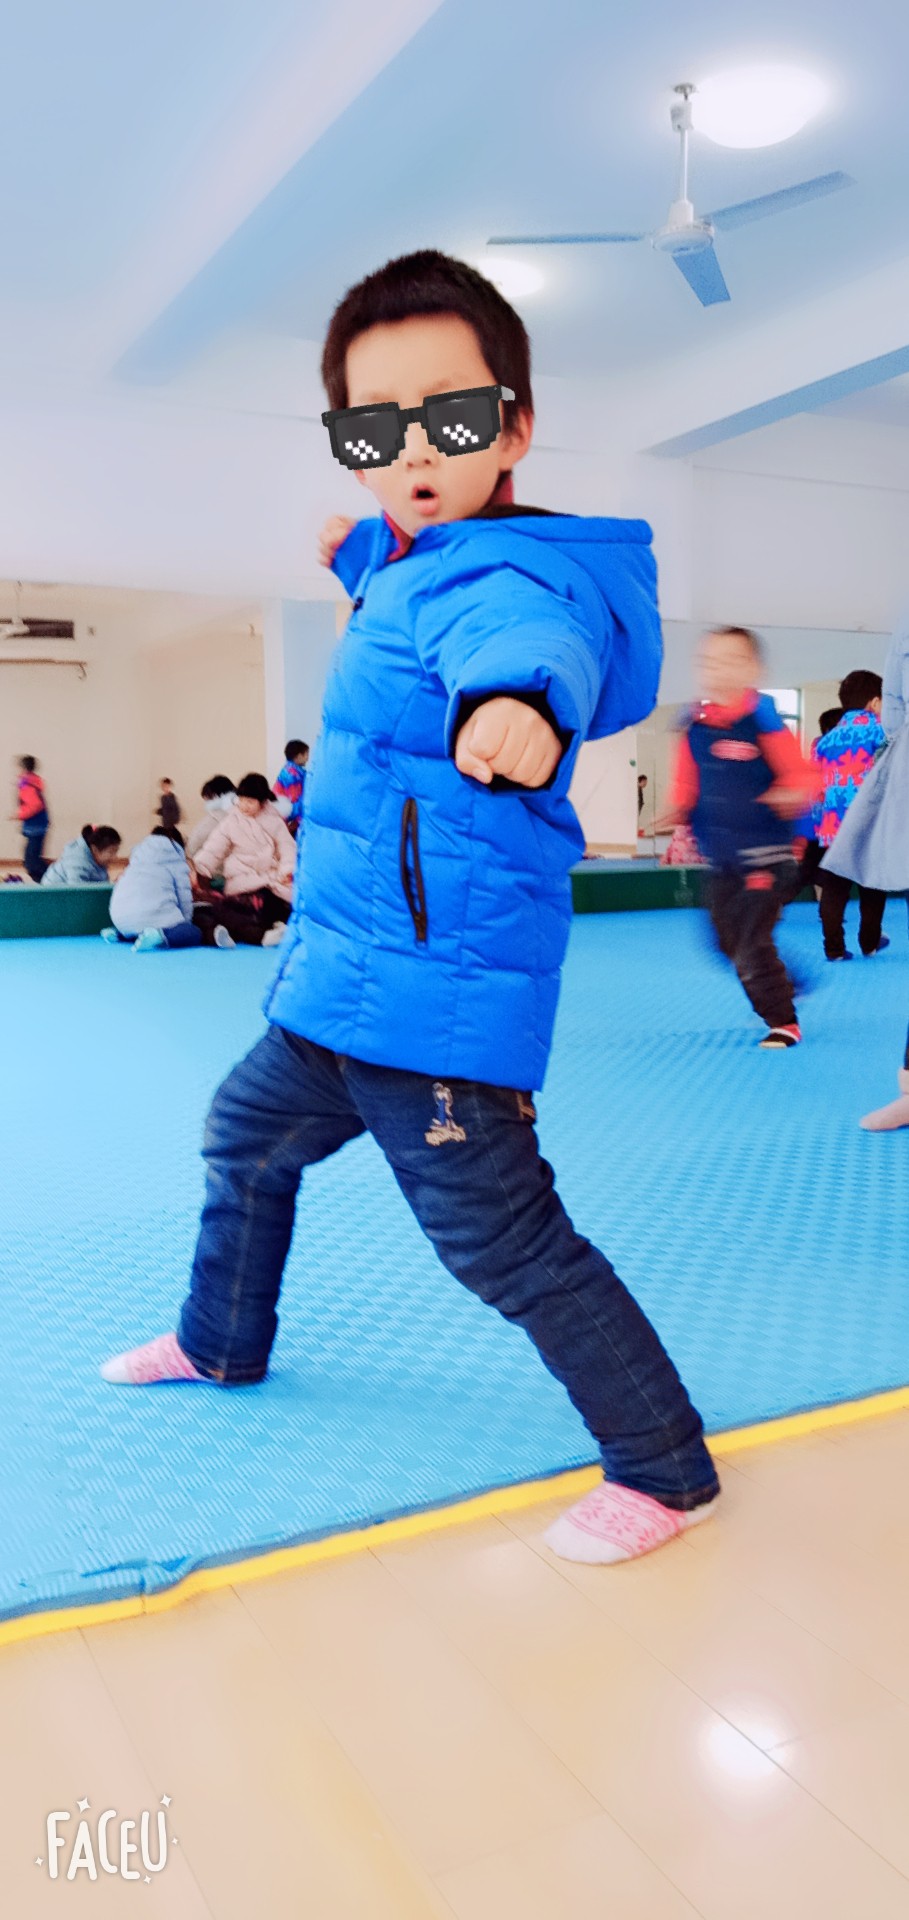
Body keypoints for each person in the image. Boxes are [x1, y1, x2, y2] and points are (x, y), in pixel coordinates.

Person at [100, 247, 721, 1570]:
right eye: (375, 429)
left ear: (515, 426)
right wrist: (358, 550)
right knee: (243, 1138)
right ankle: (220, 1341)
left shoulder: (512, 581)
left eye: (450, 415)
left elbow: (523, 638)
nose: (415, 449)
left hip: (433, 998)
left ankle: (664, 1466)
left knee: (503, 1246)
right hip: (340, 986)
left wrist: (520, 705)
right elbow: (412, 588)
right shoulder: (414, 557)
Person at [654, 626, 819, 1049]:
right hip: (724, 859)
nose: (719, 670)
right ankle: (786, 980)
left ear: (753, 669)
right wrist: (679, 807)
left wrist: (791, 790)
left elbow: (803, 773)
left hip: (768, 857)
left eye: (732, 661)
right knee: (722, 941)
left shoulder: (763, 720)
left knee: (749, 943)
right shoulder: (695, 725)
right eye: (710, 662)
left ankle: (783, 1020)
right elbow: (688, 779)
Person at [824, 626, 909, 1129]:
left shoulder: (831, 736)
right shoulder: (875, 727)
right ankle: (868, 940)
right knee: (868, 893)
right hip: (879, 813)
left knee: (837, 892)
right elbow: (894, 721)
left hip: (834, 823)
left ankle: (839, 944)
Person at [814, 672, 888, 960]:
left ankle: (833, 948)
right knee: (872, 886)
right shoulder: (881, 731)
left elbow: (817, 786)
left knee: (834, 887)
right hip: (869, 821)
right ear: (874, 702)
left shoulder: (826, 740)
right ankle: (869, 942)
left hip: (833, 825)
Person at [192, 773, 295, 947]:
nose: (244, 806)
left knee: (273, 903)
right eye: (241, 800)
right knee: (229, 909)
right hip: (241, 881)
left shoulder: (275, 822)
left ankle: (269, 928)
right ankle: (266, 932)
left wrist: (287, 870)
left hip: (269, 880)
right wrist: (199, 868)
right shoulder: (231, 821)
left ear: (262, 802)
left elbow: (287, 848)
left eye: (250, 801)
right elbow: (214, 848)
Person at [103, 826, 207, 952]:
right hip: (150, 917)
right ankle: (159, 936)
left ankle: (118, 934)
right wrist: (184, 923)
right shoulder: (176, 858)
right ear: (179, 845)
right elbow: (184, 895)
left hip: (120, 920)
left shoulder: (137, 857)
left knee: (138, 925)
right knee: (194, 933)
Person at [795, 707, 842, 897]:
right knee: (819, 867)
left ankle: (780, 901)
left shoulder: (818, 745)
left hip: (815, 818)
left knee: (814, 866)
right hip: (827, 819)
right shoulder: (834, 748)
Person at [42, 824, 121, 886]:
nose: (115, 857)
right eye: (111, 852)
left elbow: (99, 886)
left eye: (116, 851)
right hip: (52, 896)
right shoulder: (77, 862)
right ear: (95, 849)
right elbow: (78, 893)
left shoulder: (100, 861)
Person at [14, 755, 51, 882]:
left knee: (31, 862)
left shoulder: (27, 785)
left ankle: (50, 879)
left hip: (36, 826)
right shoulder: (32, 782)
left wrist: (19, 815)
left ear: (24, 768)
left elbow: (35, 805)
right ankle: (46, 879)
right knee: (31, 859)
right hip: (37, 825)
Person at [185, 777, 237, 861]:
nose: (207, 804)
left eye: (208, 799)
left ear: (217, 795)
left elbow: (195, 842)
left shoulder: (216, 818)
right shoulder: (242, 815)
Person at [273, 741, 309, 838]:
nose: (307, 758)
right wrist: (296, 822)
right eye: (306, 754)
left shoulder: (289, 770)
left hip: (281, 815)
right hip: (285, 819)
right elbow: (295, 800)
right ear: (299, 756)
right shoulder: (293, 775)